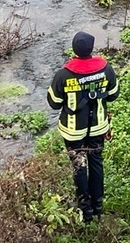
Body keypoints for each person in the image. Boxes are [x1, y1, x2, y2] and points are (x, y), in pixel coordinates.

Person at [46, 31, 119, 222]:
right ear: (91, 48)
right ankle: (98, 206)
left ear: (74, 49)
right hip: (98, 127)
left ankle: (84, 209)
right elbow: (113, 94)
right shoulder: (106, 69)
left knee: (79, 166)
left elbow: (54, 103)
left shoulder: (63, 75)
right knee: (96, 163)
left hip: (73, 131)